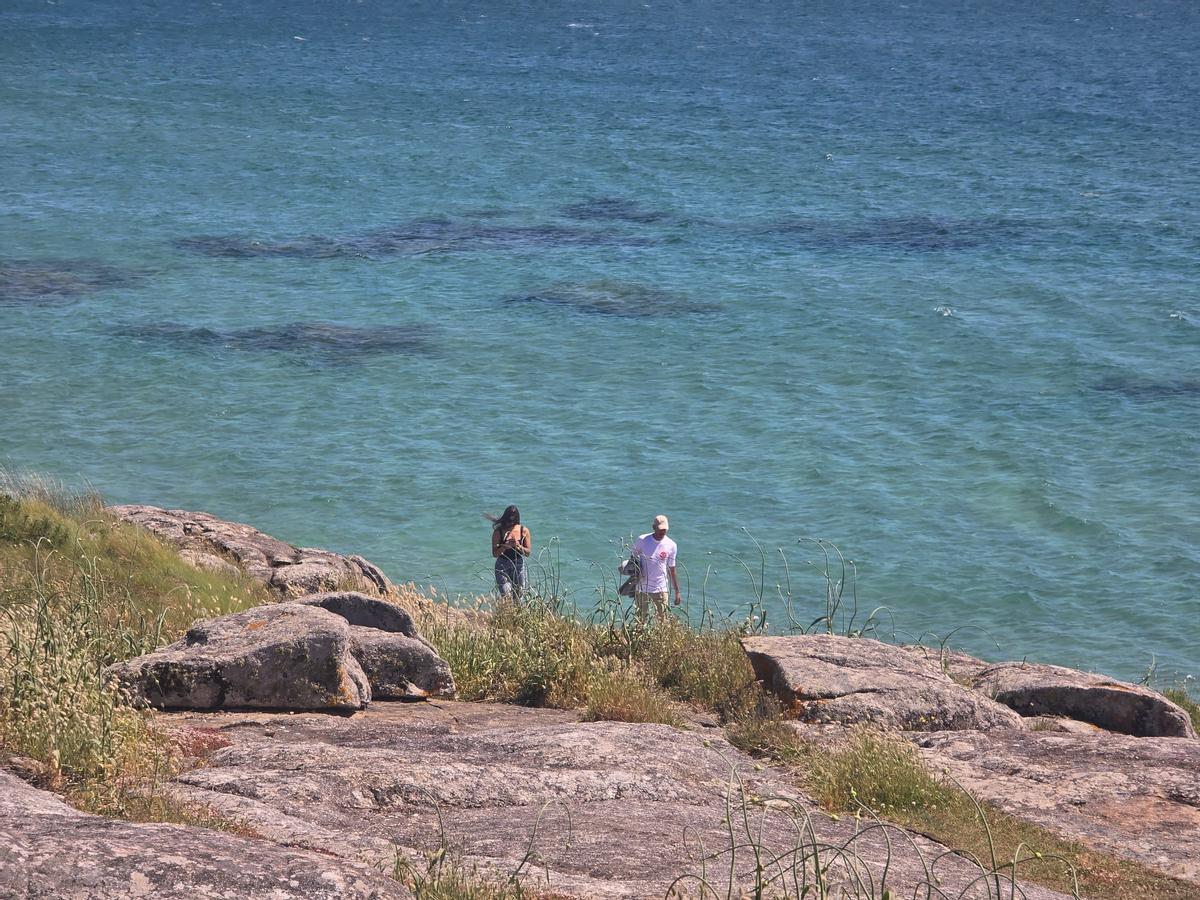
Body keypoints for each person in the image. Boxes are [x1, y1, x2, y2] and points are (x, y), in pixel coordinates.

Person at [631, 514, 681, 621]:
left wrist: (677, 591)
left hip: (661, 588)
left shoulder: (671, 545)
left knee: (663, 620)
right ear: (653, 527)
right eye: (660, 529)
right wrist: (635, 573)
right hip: (642, 587)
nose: (662, 532)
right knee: (640, 620)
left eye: (664, 530)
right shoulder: (642, 540)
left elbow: (672, 569)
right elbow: (632, 558)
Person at [491, 505, 531, 597]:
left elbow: (528, 553)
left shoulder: (523, 530)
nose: (510, 524)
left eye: (512, 521)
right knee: (506, 594)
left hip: (518, 564)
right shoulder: (498, 532)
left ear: (516, 519)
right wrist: (505, 547)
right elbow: (495, 554)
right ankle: (506, 606)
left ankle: (517, 607)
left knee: (519, 595)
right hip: (502, 565)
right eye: (508, 521)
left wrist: (518, 546)